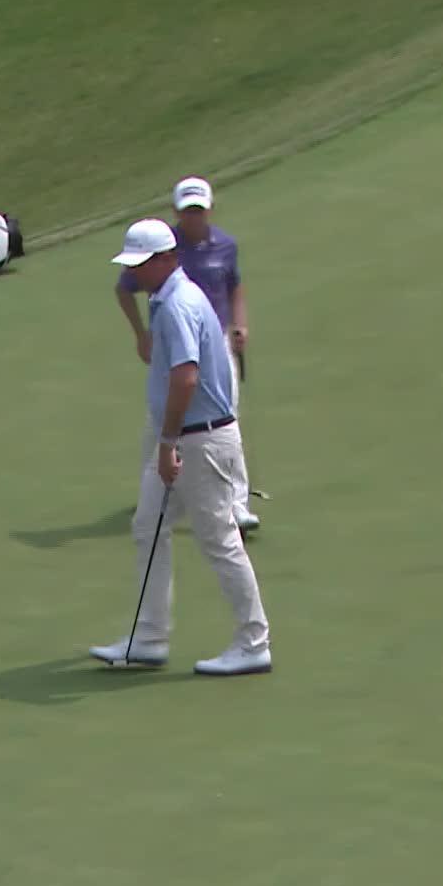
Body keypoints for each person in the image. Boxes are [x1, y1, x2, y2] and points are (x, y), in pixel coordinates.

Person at [91, 218, 273, 676]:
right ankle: (149, 638)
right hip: (186, 436)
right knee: (149, 526)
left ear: (166, 259)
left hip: (200, 439)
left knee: (219, 541)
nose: (134, 273)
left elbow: (186, 377)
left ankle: (254, 642)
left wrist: (167, 443)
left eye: (141, 264)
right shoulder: (167, 298)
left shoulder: (176, 305)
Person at [115, 176, 258, 529]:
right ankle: (155, 493)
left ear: (209, 209)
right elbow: (124, 288)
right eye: (187, 211)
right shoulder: (160, 250)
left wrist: (240, 324)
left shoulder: (226, 245)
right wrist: (141, 335)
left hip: (215, 344)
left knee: (225, 418)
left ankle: (236, 504)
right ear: (176, 211)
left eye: (199, 210)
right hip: (172, 345)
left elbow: (234, 285)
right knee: (159, 419)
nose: (194, 217)